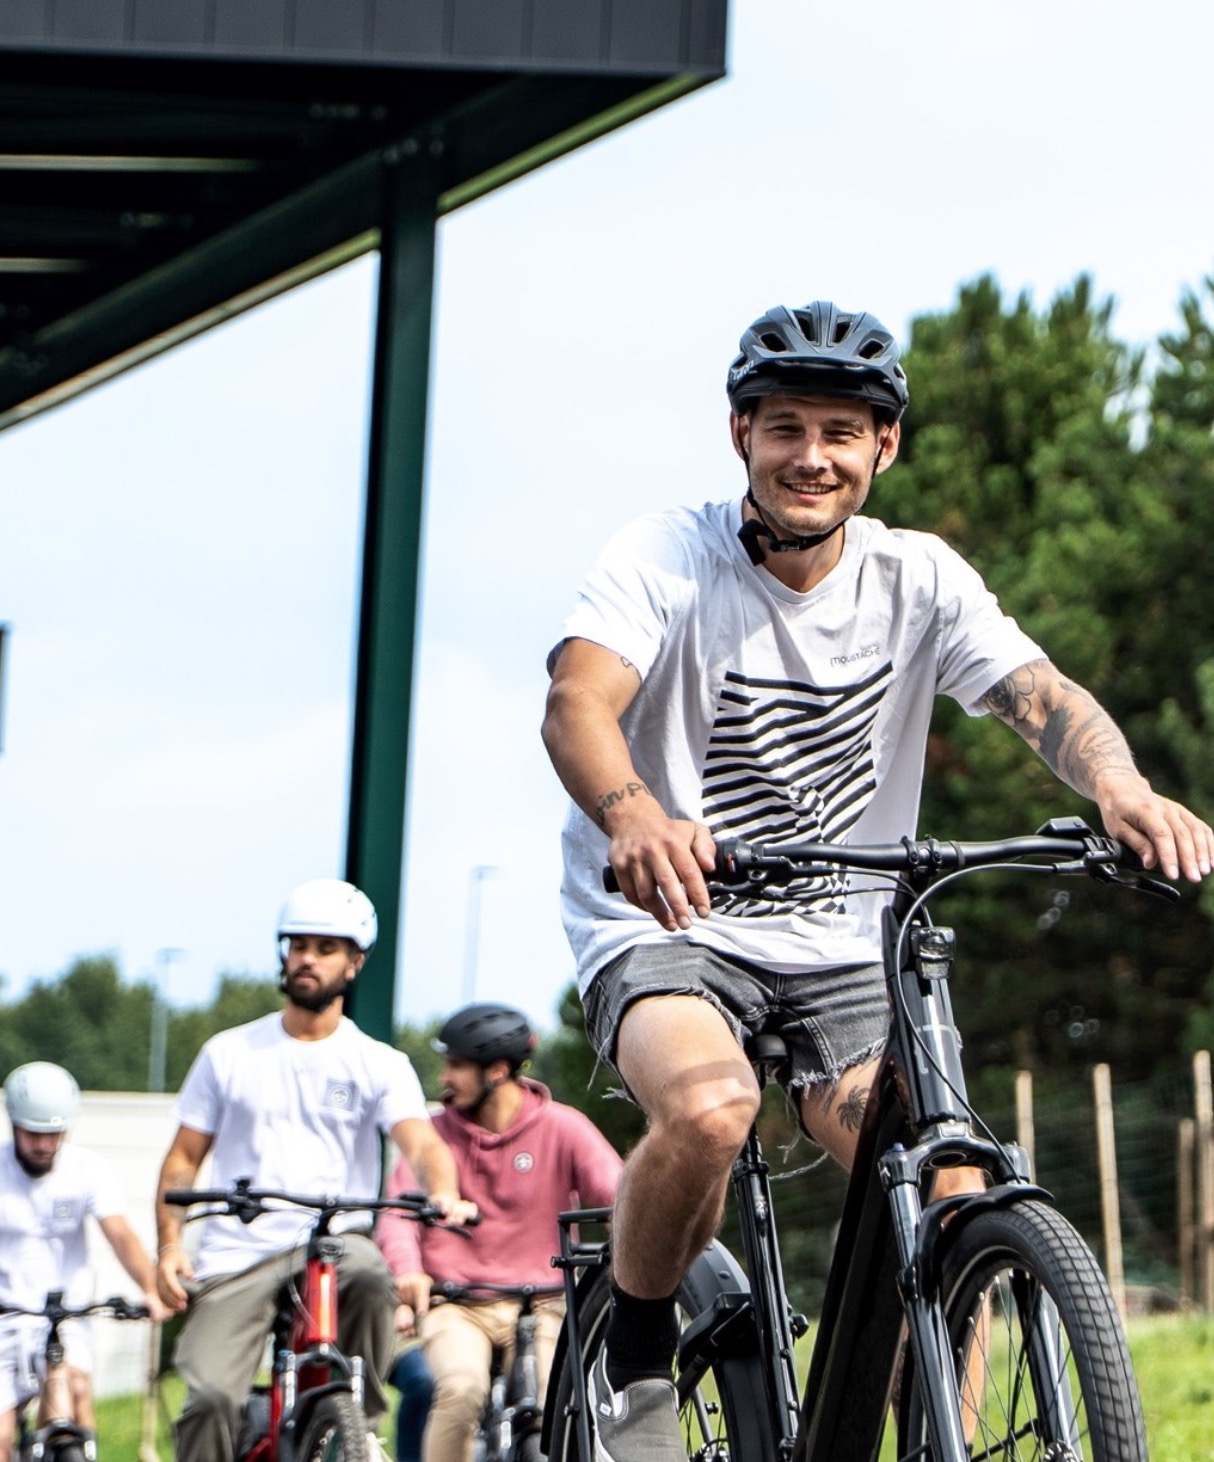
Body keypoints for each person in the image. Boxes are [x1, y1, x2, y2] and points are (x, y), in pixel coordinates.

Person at [540, 299, 1214, 1461]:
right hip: (667, 919)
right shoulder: (665, 554)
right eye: (785, 427)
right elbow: (576, 702)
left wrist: (1120, 786)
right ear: (741, 434)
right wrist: (634, 813)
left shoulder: (919, 578)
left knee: (948, 1185)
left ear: (882, 447)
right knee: (708, 1107)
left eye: (840, 433)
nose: (811, 455)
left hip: (840, 945)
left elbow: (1040, 698)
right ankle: (636, 1363)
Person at [154, 878, 473, 1462]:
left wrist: (445, 1191)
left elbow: (422, 1144)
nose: (307, 959)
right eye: (298, 945)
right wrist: (171, 1247)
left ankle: (358, 1429)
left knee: (371, 1272)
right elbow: (182, 1159)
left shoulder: (377, 1062)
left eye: (326, 949)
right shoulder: (228, 1053)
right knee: (209, 1399)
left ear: (355, 963)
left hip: (332, 1241)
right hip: (239, 1252)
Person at [376, 1002, 622, 1462]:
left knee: (554, 1400)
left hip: (544, 1303)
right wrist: (407, 1271)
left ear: (497, 1071)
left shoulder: (564, 1127)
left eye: (457, 1066)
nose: (445, 1078)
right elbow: (398, 1215)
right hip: (457, 1305)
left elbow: (617, 1196)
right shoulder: (433, 1134)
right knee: (460, 1389)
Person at [0, 1061, 165, 1461]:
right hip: (6, 1316)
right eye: (33, 1134)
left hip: (66, 1315)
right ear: (14, 1125)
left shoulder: (86, 1169)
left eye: (53, 1134)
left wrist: (150, 1288)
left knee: (73, 1391)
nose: (44, 1144)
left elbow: (120, 1233)